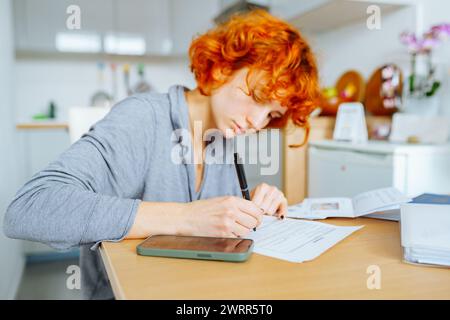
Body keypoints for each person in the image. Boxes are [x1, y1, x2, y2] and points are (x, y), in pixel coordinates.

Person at [3, 10, 319, 299]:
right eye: (258, 96)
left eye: (271, 114)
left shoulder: (224, 139)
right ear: (224, 67)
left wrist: (254, 210)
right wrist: (185, 218)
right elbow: (29, 209)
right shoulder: (142, 118)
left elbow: (215, 227)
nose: (257, 122)